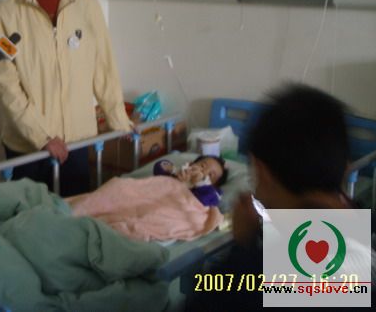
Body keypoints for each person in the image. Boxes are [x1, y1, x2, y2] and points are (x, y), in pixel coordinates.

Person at [185, 83, 374, 311]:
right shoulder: (361, 233)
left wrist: (243, 245)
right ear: (345, 168)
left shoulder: (239, 283)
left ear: (261, 171)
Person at [0, 0, 131, 196]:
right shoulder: (6, 14)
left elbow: (103, 68)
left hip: (76, 141)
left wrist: (119, 121)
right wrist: (42, 137)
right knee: (28, 217)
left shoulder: (86, 6)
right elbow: (7, 85)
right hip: (27, 147)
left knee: (73, 212)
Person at [153, 155, 228, 206]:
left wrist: (200, 183)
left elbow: (210, 201)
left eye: (210, 175)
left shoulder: (209, 193)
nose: (204, 172)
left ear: (213, 185)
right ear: (191, 164)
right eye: (202, 166)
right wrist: (173, 170)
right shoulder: (180, 173)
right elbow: (158, 168)